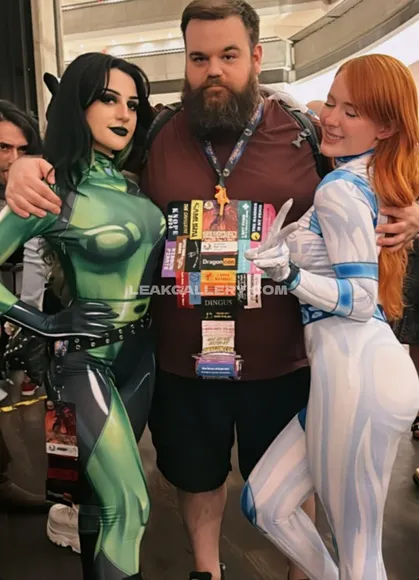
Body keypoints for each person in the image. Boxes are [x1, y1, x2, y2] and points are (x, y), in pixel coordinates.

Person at [4, 2, 419, 579]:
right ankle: (205, 570)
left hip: (284, 359)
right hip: (181, 359)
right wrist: (29, 164)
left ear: (256, 57)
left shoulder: (304, 132)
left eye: (228, 55)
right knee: (193, 475)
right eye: (198, 58)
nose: (213, 71)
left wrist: (413, 211)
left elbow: (381, 169)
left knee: (292, 487)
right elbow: (84, 153)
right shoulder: (154, 133)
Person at [241, 54, 419, 580]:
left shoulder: (341, 188)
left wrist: (288, 274)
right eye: (333, 104)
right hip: (351, 373)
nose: (331, 119)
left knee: (359, 553)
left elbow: (361, 299)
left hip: (356, 374)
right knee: (265, 503)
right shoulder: (367, 178)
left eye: (352, 111)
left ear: (385, 127)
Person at [0, 52, 166, 580]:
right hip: (83, 362)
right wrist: (43, 322)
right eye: (108, 99)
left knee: (96, 502)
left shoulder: (131, 183)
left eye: (133, 104)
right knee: (130, 505)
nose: (124, 114)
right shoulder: (53, 190)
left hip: (140, 358)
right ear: (78, 103)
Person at [0, 100, 48, 398]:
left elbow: (38, 256)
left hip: (37, 321)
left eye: (23, 149)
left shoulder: (41, 190)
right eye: (4, 147)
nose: (14, 159)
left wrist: (29, 320)